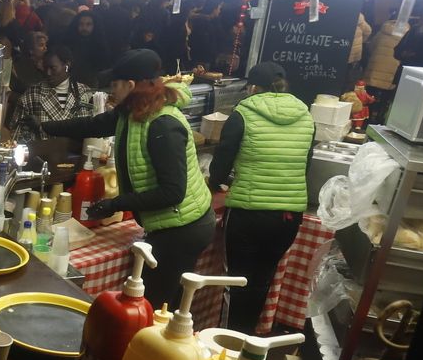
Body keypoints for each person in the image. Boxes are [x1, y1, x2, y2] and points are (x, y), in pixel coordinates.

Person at [43, 49, 213, 309]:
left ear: (131, 85)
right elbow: (93, 125)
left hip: (183, 228)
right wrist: (46, 127)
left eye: (115, 85)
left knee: (155, 306)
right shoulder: (131, 110)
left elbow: (172, 192)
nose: (111, 92)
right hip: (166, 223)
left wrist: (116, 203)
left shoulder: (163, 125)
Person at [209, 62, 314, 333]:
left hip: (248, 212)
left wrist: (217, 181)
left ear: (253, 87)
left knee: (237, 281)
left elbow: (221, 162)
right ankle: (247, 342)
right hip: (288, 216)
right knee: (262, 280)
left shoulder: (244, 112)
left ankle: (229, 340)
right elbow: (305, 165)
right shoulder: (305, 115)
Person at [11, 44, 100, 145]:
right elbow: (17, 135)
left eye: (53, 68)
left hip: (76, 157)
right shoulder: (32, 95)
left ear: (67, 65)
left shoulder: (84, 92)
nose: (48, 73)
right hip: (42, 156)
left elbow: (93, 130)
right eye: (45, 68)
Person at [57, 9, 110, 88]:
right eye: (81, 24)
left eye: (88, 24)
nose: (84, 28)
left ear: (94, 26)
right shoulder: (68, 42)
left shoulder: (99, 45)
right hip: (69, 84)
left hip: (90, 85)